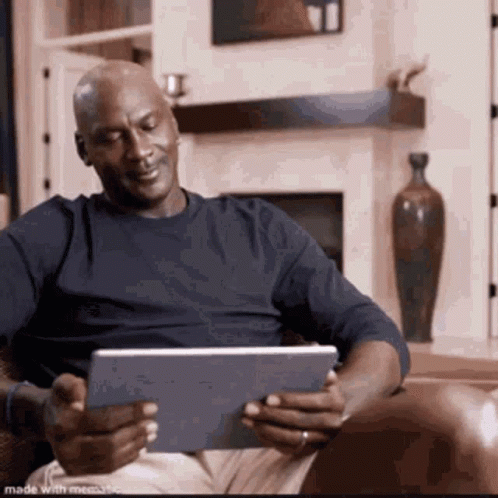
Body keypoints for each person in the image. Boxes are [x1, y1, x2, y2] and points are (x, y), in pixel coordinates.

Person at [1, 60, 493, 494]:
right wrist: (37, 409)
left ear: (173, 124)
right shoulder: (48, 234)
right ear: (83, 149)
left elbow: (377, 335)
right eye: (111, 137)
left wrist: (341, 400)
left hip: (268, 451)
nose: (139, 150)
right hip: (120, 464)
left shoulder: (259, 229)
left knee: (467, 427)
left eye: (149, 125)